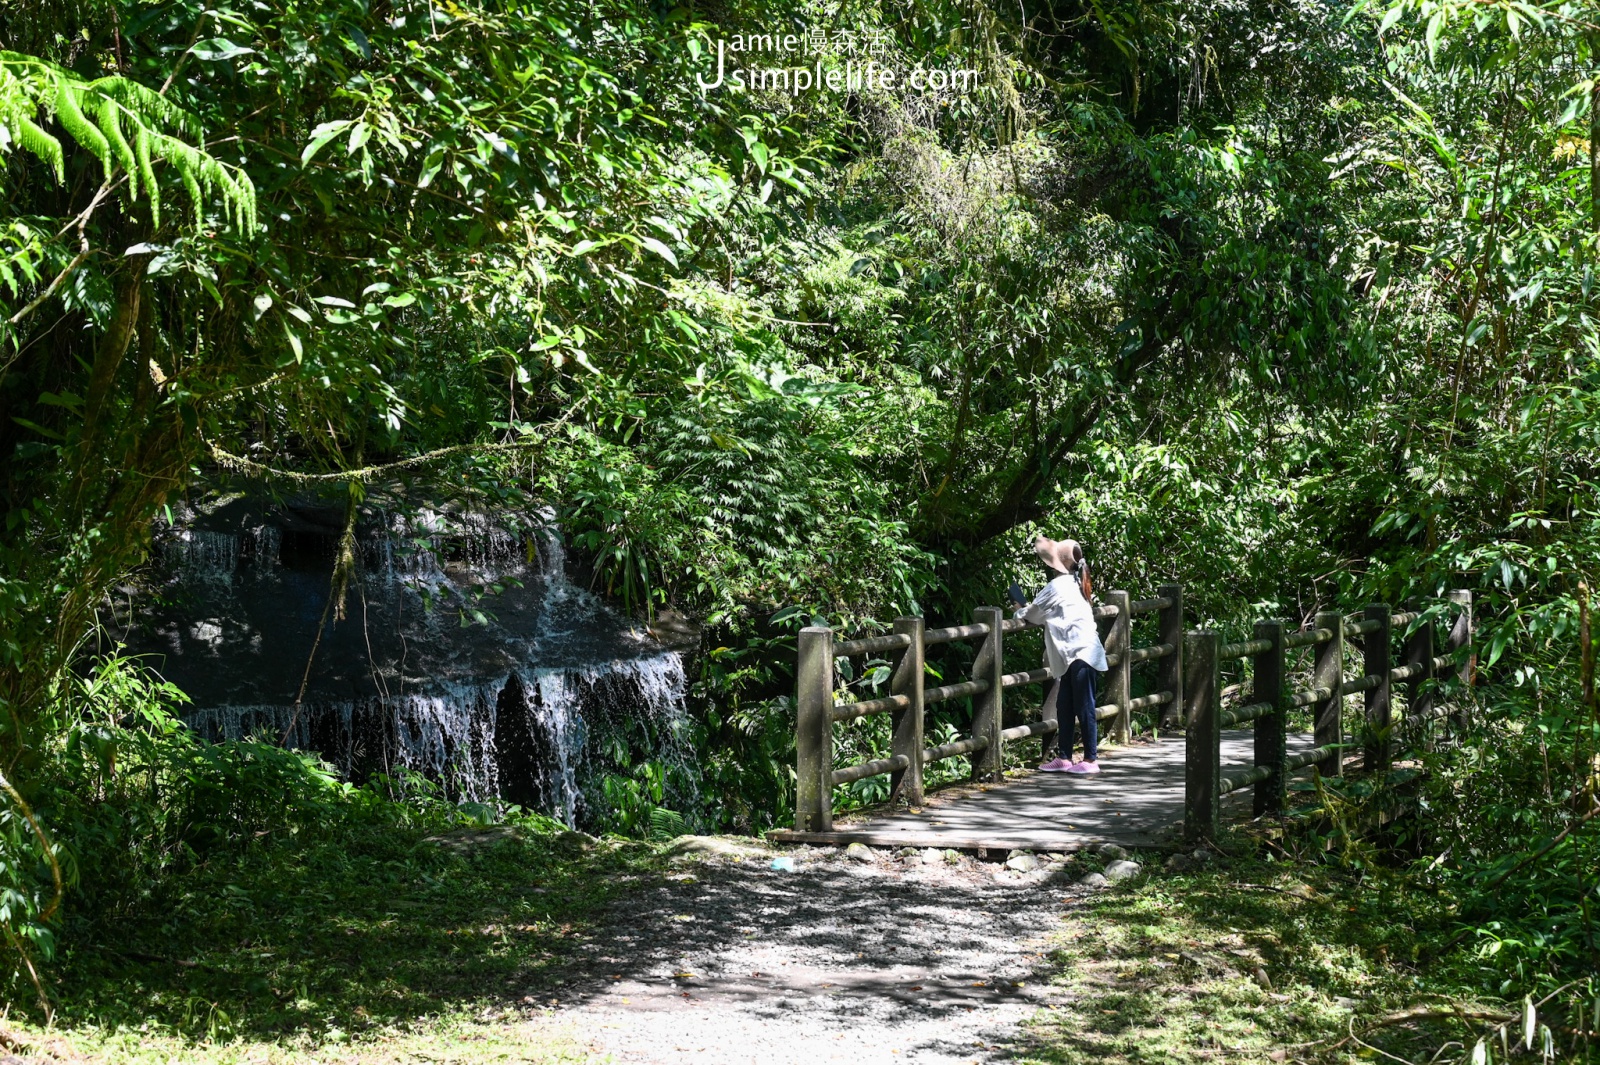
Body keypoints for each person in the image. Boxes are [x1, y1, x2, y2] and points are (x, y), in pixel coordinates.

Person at [1012, 535, 1107, 774]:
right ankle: (1064, 757)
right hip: (1074, 654)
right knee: (1065, 706)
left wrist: (1018, 610)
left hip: (1080, 653)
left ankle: (1090, 760)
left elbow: (1033, 614)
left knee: (1084, 706)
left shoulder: (1058, 586)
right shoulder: (1075, 583)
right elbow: (1045, 614)